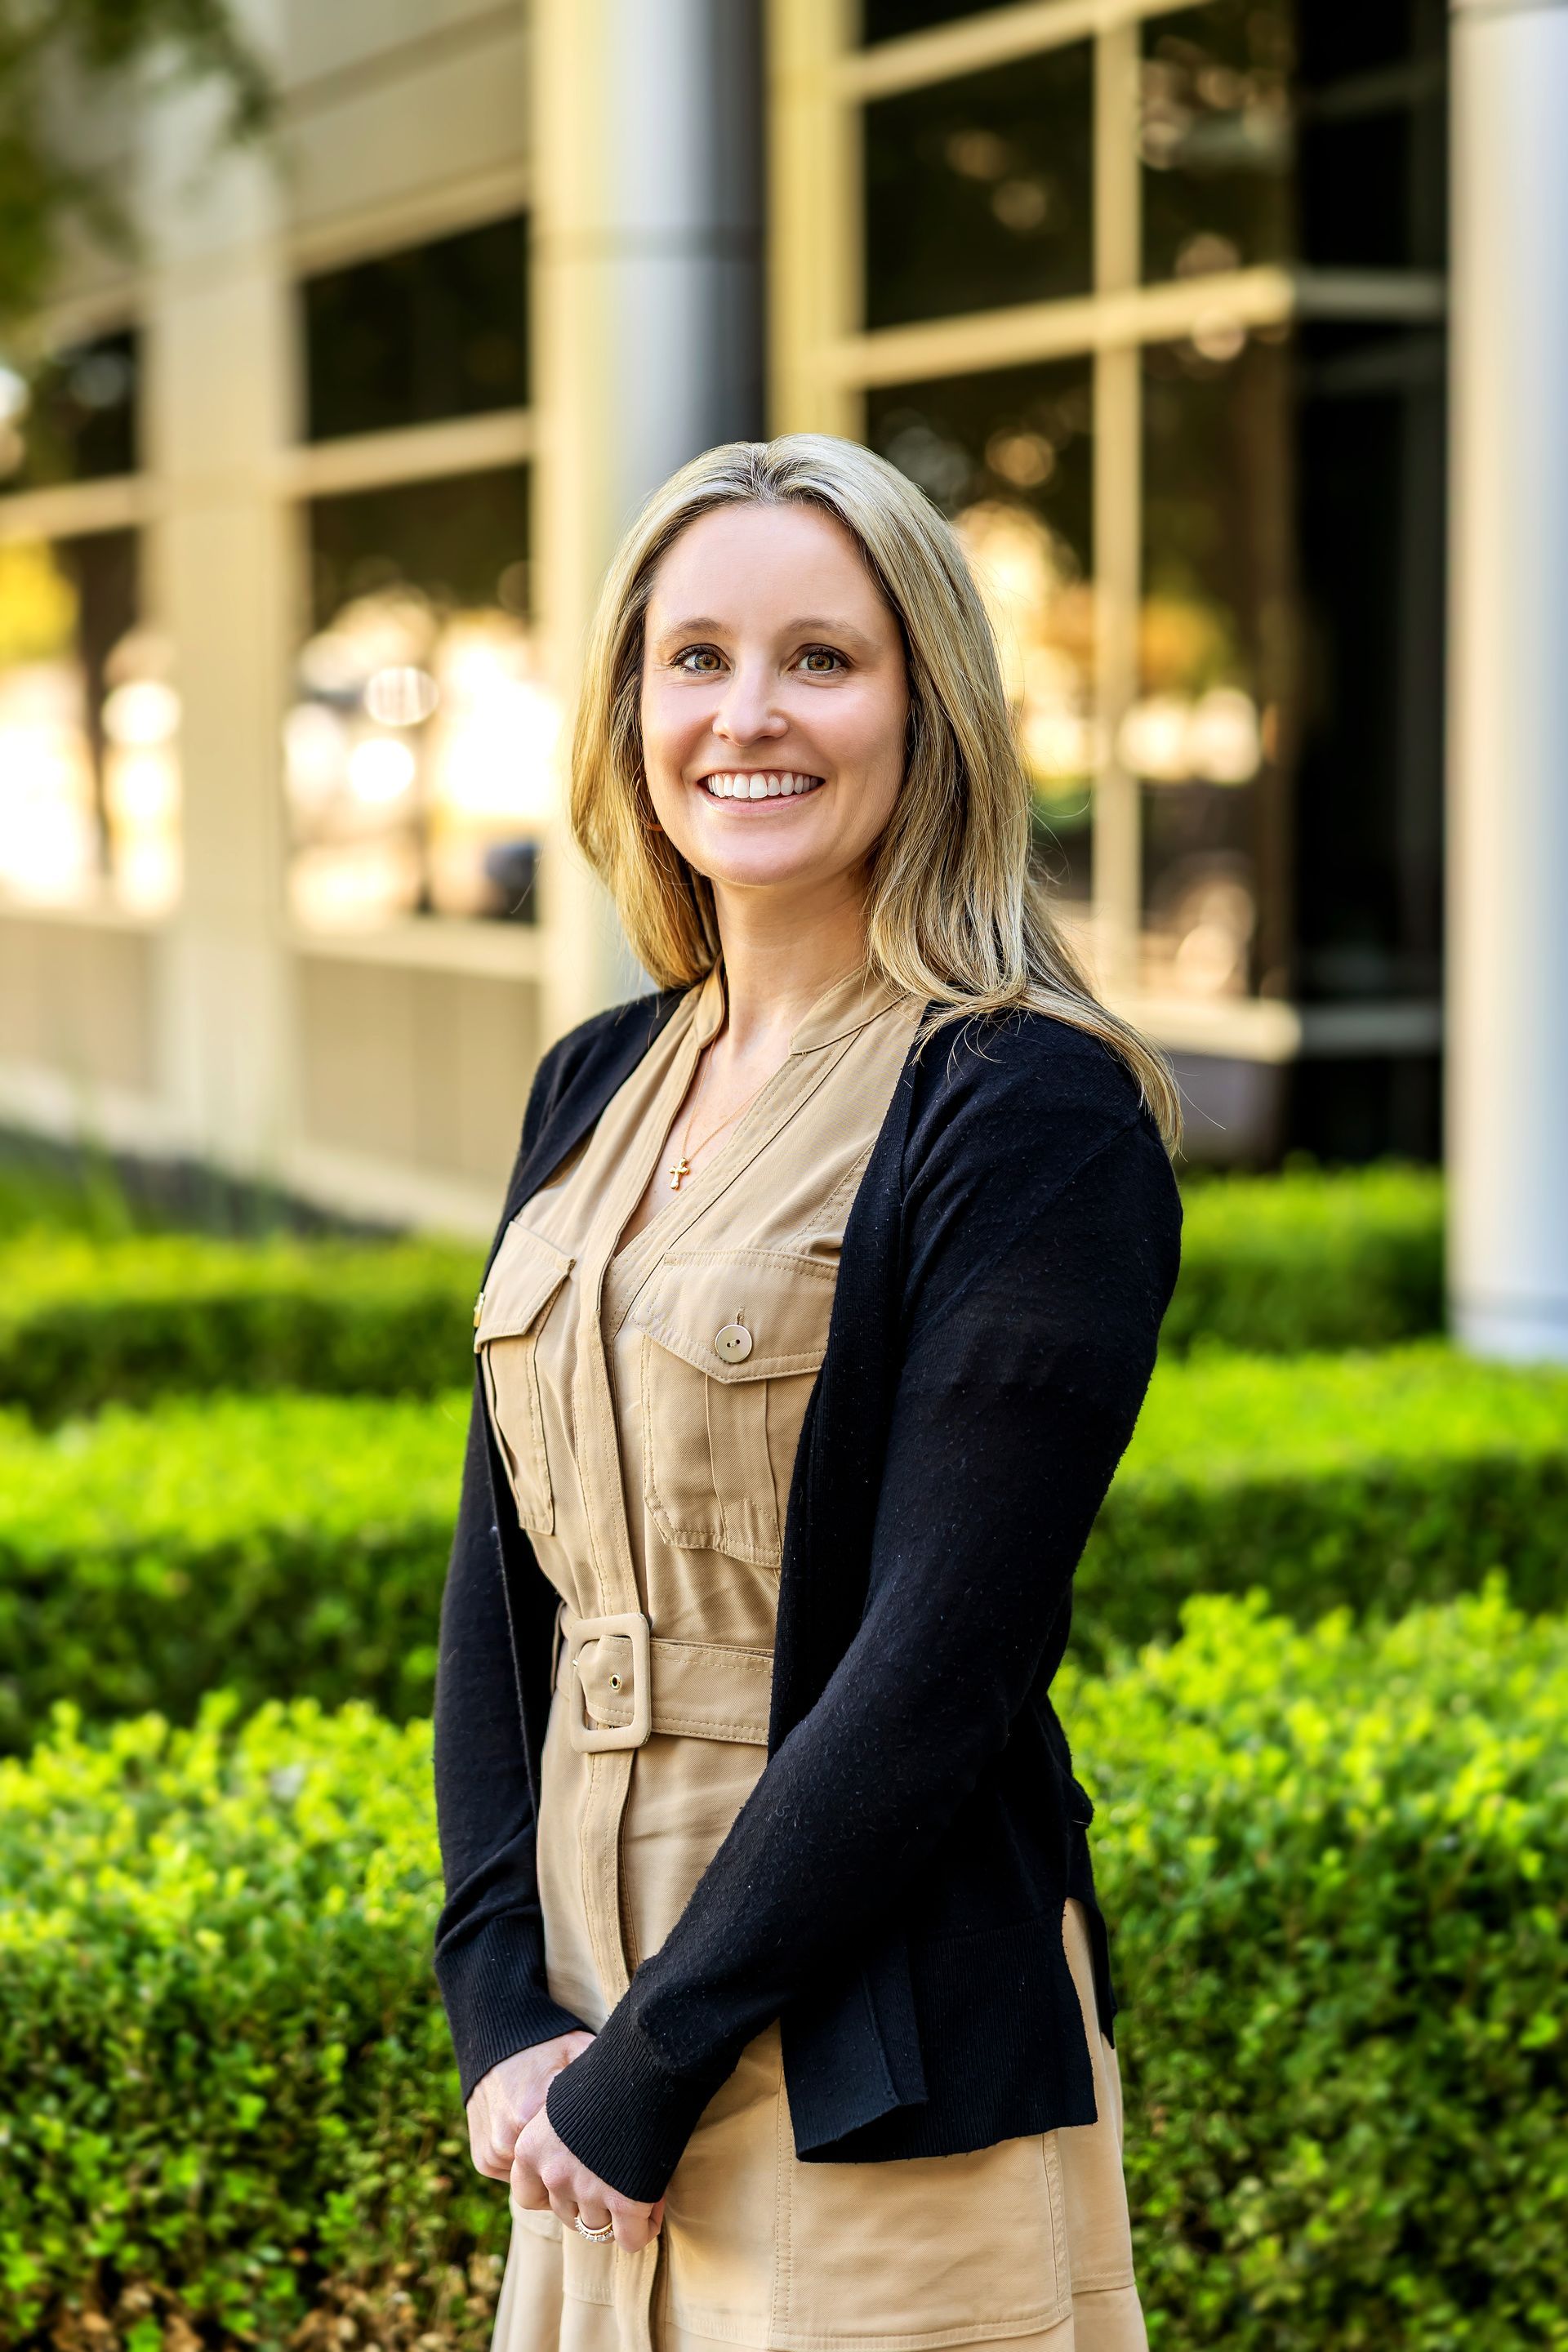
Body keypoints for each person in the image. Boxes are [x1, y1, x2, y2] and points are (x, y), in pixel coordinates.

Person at [432, 434, 1183, 2352]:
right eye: (694, 658)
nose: (746, 714)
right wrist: (507, 2001)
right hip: (592, 2033)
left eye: (821, 661)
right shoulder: (593, 1078)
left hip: (866, 2033)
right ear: (629, 706)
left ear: (929, 708)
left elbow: (946, 1654)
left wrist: (653, 2063)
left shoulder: (1029, 1107)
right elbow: (506, 1588)